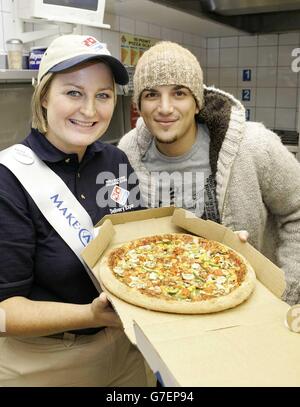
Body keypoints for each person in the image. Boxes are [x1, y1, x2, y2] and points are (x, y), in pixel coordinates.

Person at [0, 34, 155, 387]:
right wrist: (90, 314)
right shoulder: (9, 178)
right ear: (43, 97)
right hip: (44, 363)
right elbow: (4, 312)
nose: (90, 110)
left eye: (103, 95)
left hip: (126, 349)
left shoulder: (115, 160)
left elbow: (138, 247)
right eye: (73, 92)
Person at [118, 41, 300, 306]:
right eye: (151, 94)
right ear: (139, 104)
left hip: (252, 312)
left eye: (179, 93)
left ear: (197, 102)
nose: (165, 108)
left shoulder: (253, 146)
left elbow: (296, 212)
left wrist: (287, 293)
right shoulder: (128, 153)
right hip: (163, 307)